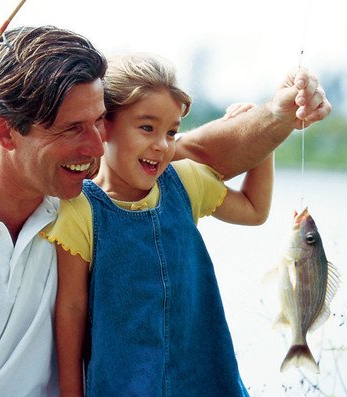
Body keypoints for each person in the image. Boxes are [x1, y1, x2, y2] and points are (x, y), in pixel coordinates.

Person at [0, 25, 330, 396]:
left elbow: (207, 151)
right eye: (73, 129)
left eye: (100, 122)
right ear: (5, 133)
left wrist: (282, 110)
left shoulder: (79, 187)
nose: (95, 146)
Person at [43, 53, 276, 396]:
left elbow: (255, 210)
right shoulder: (80, 209)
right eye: (147, 128)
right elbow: (72, 309)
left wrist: (264, 139)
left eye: (171, 132)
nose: (162, 145)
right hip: (124, 385)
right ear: (104, 125)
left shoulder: (186, 182)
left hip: (206, 381)